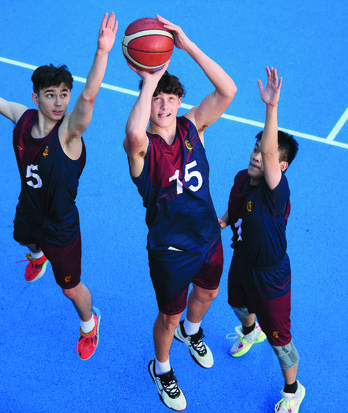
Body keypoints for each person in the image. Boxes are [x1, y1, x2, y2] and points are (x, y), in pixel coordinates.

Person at [123, 15, 237, 411]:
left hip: (208, 236)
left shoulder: (193, 128)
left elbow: (228, 90)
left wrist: (186, 45)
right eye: (157, 98)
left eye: (171, 98)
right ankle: (162, 367)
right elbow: (135, 134)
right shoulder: (141, 150)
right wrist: (151, 77)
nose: (165, 105)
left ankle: (193, 331)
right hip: (170, 250)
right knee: (167, 318)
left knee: (208, 293)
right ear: (147, 99)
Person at [0, 12, 117, 360]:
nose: (59, 102)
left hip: (61, 226)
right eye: (50, 95)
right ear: (36, 98)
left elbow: (89, 98)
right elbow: (3, 104)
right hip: (30, 209)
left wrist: (102, 52)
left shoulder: (68, 133)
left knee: (71, 289)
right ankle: (37, 257)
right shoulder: (22, 119)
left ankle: (89, 325)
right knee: (25, 237)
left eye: (64, 94)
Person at [219, 67, 305, 412]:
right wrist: (221, 221)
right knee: (237, 306)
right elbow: (233, 212)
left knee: (281, 341)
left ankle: (293, 390)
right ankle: (249, 330)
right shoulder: (242, 179)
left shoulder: (276, 193)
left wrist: (271, 107)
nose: (258, 155)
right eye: (255, 148)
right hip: (242, 262)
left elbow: (272, 153)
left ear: (280, 167)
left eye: (265, 153)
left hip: (270, 276)